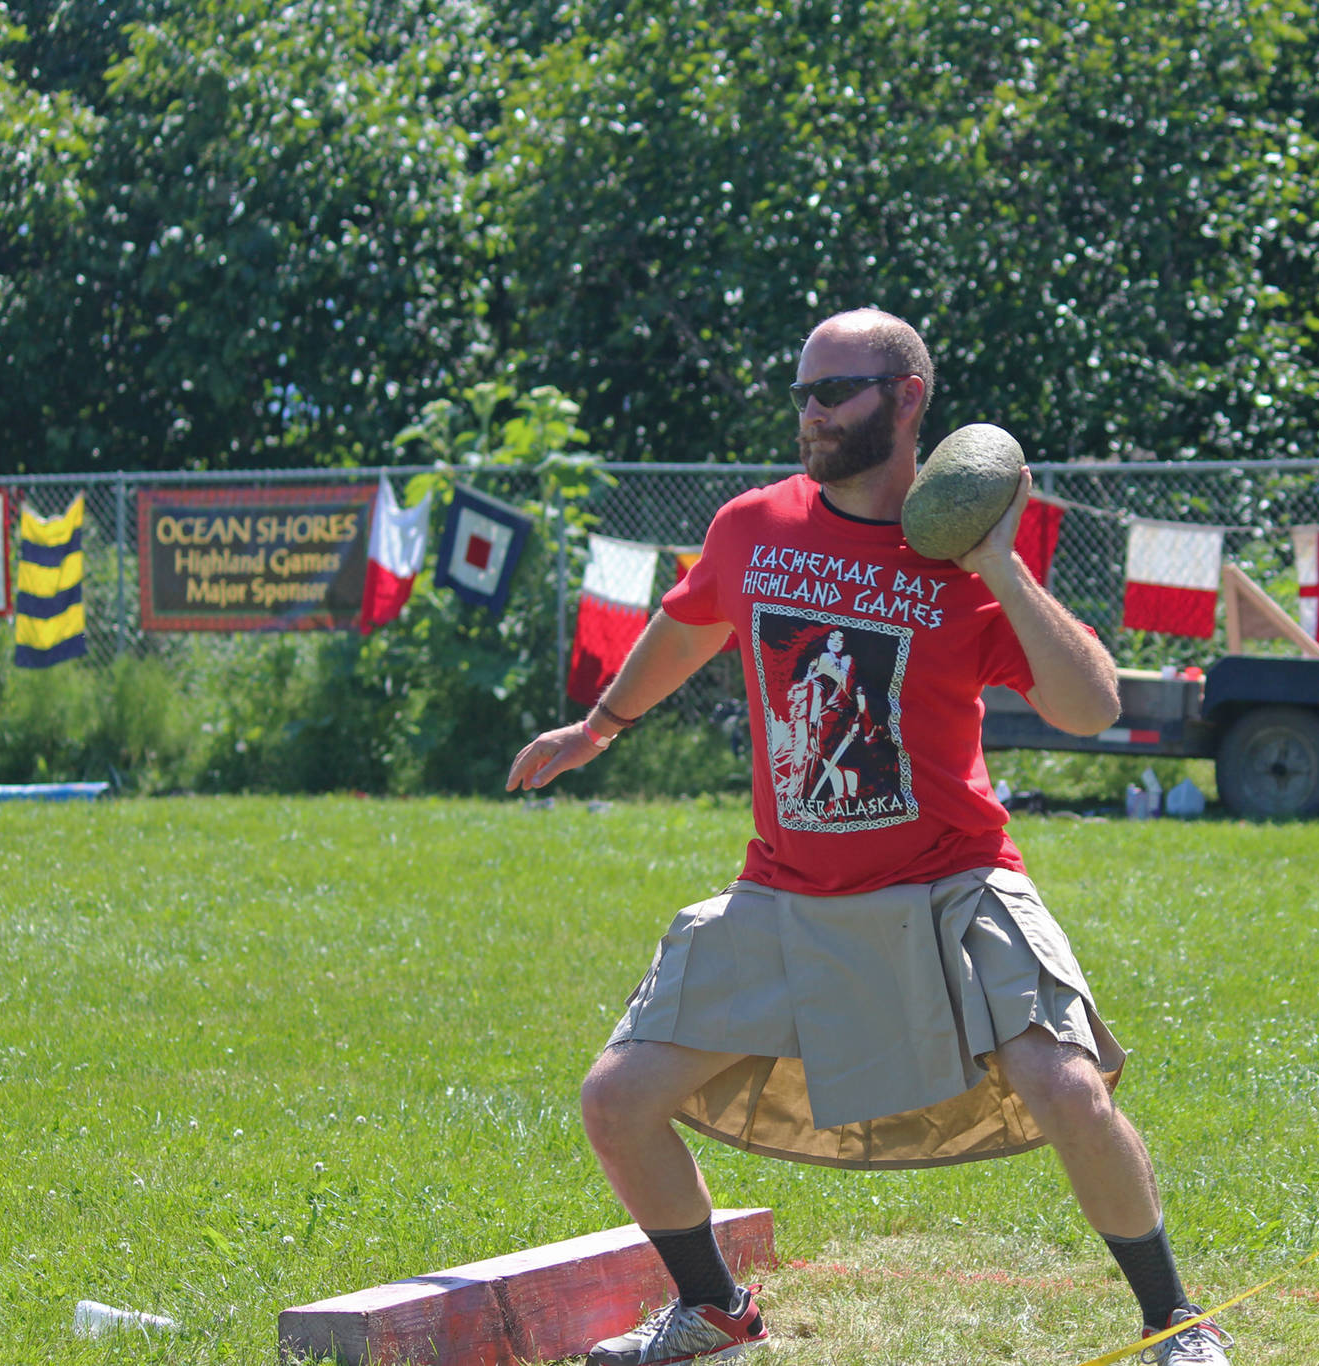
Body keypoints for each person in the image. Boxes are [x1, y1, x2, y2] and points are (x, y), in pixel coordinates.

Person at [507, 308, 1235, 1365]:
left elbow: (1091, 705)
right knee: (617, 1098)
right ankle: (714, 1308)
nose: (807, 412)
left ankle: (1175, 1317)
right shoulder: (752, 525)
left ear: (904, 399)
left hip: (954, 882)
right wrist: (599, 725)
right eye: (800, 391)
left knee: (1068, 1083)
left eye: (831, 390)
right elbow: (687, 621)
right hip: (789, 888)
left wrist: (997, 562)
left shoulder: (963, 563)